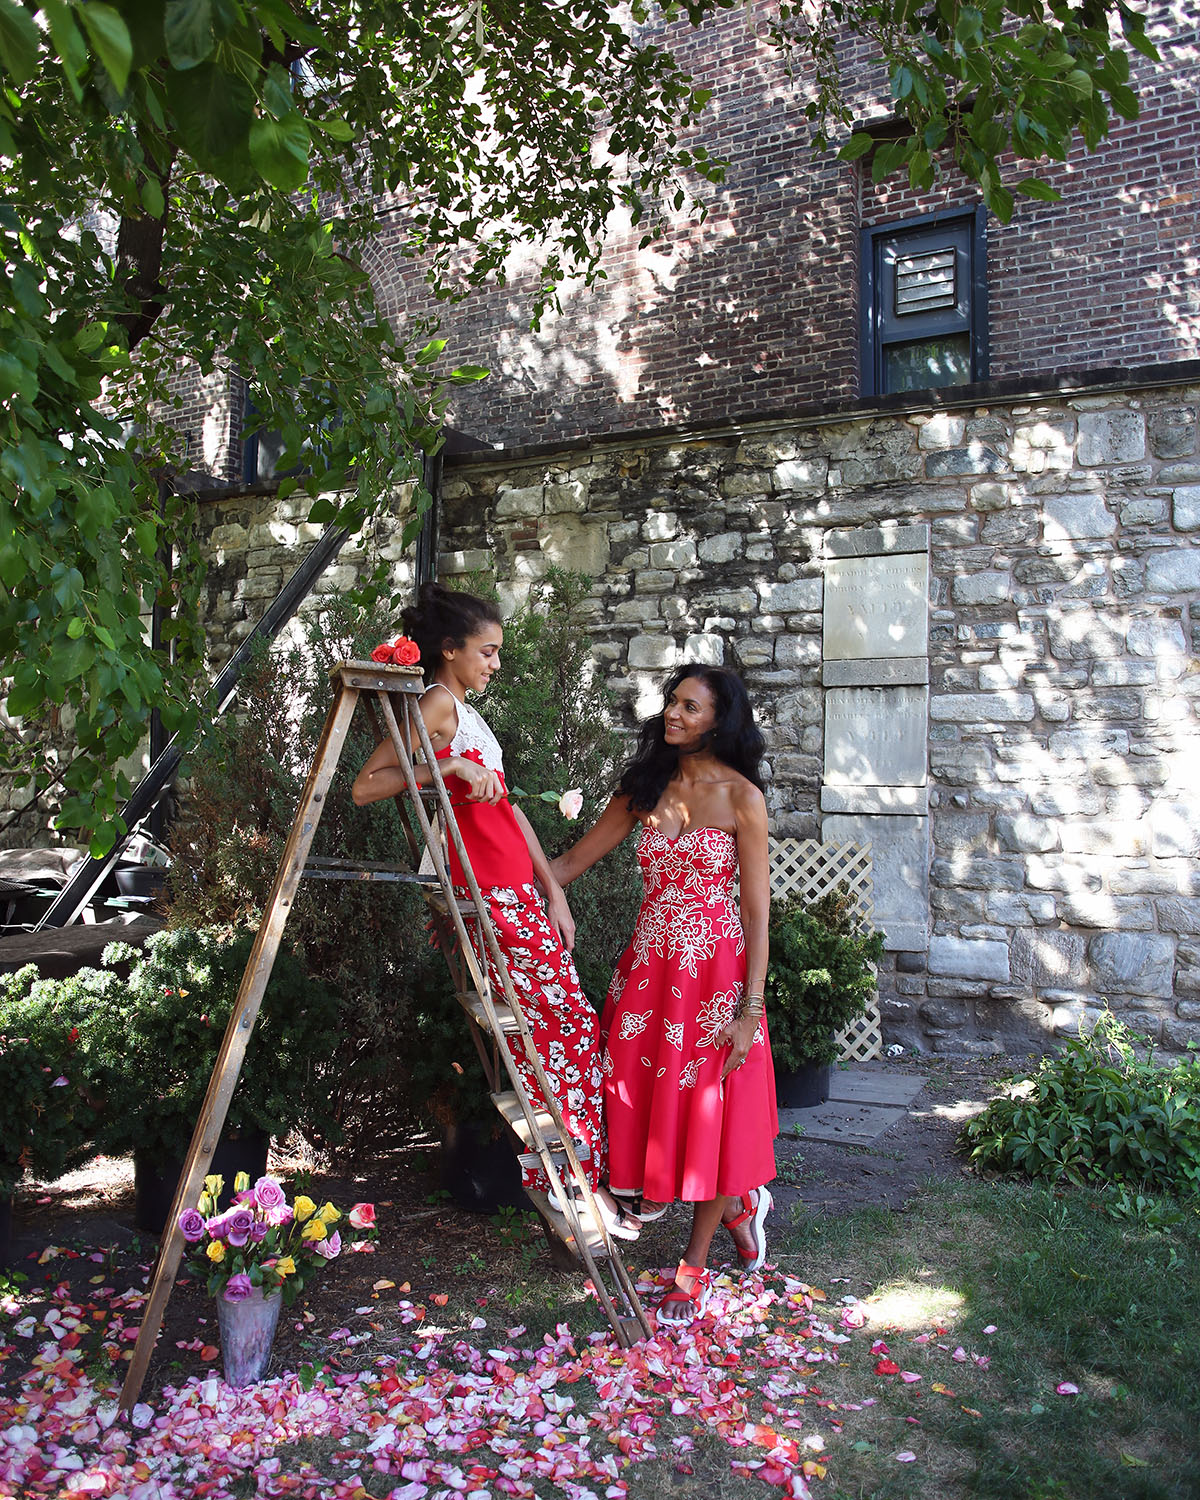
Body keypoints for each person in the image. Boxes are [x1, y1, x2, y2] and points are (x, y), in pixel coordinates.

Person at [351, 583, 640, 1244]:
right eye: (487, 651)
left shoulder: (466, 712)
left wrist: (555, 890)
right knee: (560, 1033)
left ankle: (577, 1184)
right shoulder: (437, 706)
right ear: (449, 651)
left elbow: (508, 811)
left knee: (567, 1032)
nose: (497, 663)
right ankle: (570, 1188)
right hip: (484, 896)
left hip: (515, 890)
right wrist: (441, 763)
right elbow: (367, 786)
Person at [550, 664, 778, 1324]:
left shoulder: (743, 798)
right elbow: (567, 865)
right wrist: (501, 869)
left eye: (690, 707)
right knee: (631, 1095)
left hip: (715, 981)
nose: (673, 714)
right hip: (649, 975)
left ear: (721, 719)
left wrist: (750, 1010)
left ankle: (693, 1265)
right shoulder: (647, 786)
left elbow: (758, 912)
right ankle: (739, 1206)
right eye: (672, 703)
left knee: (714, 1109)